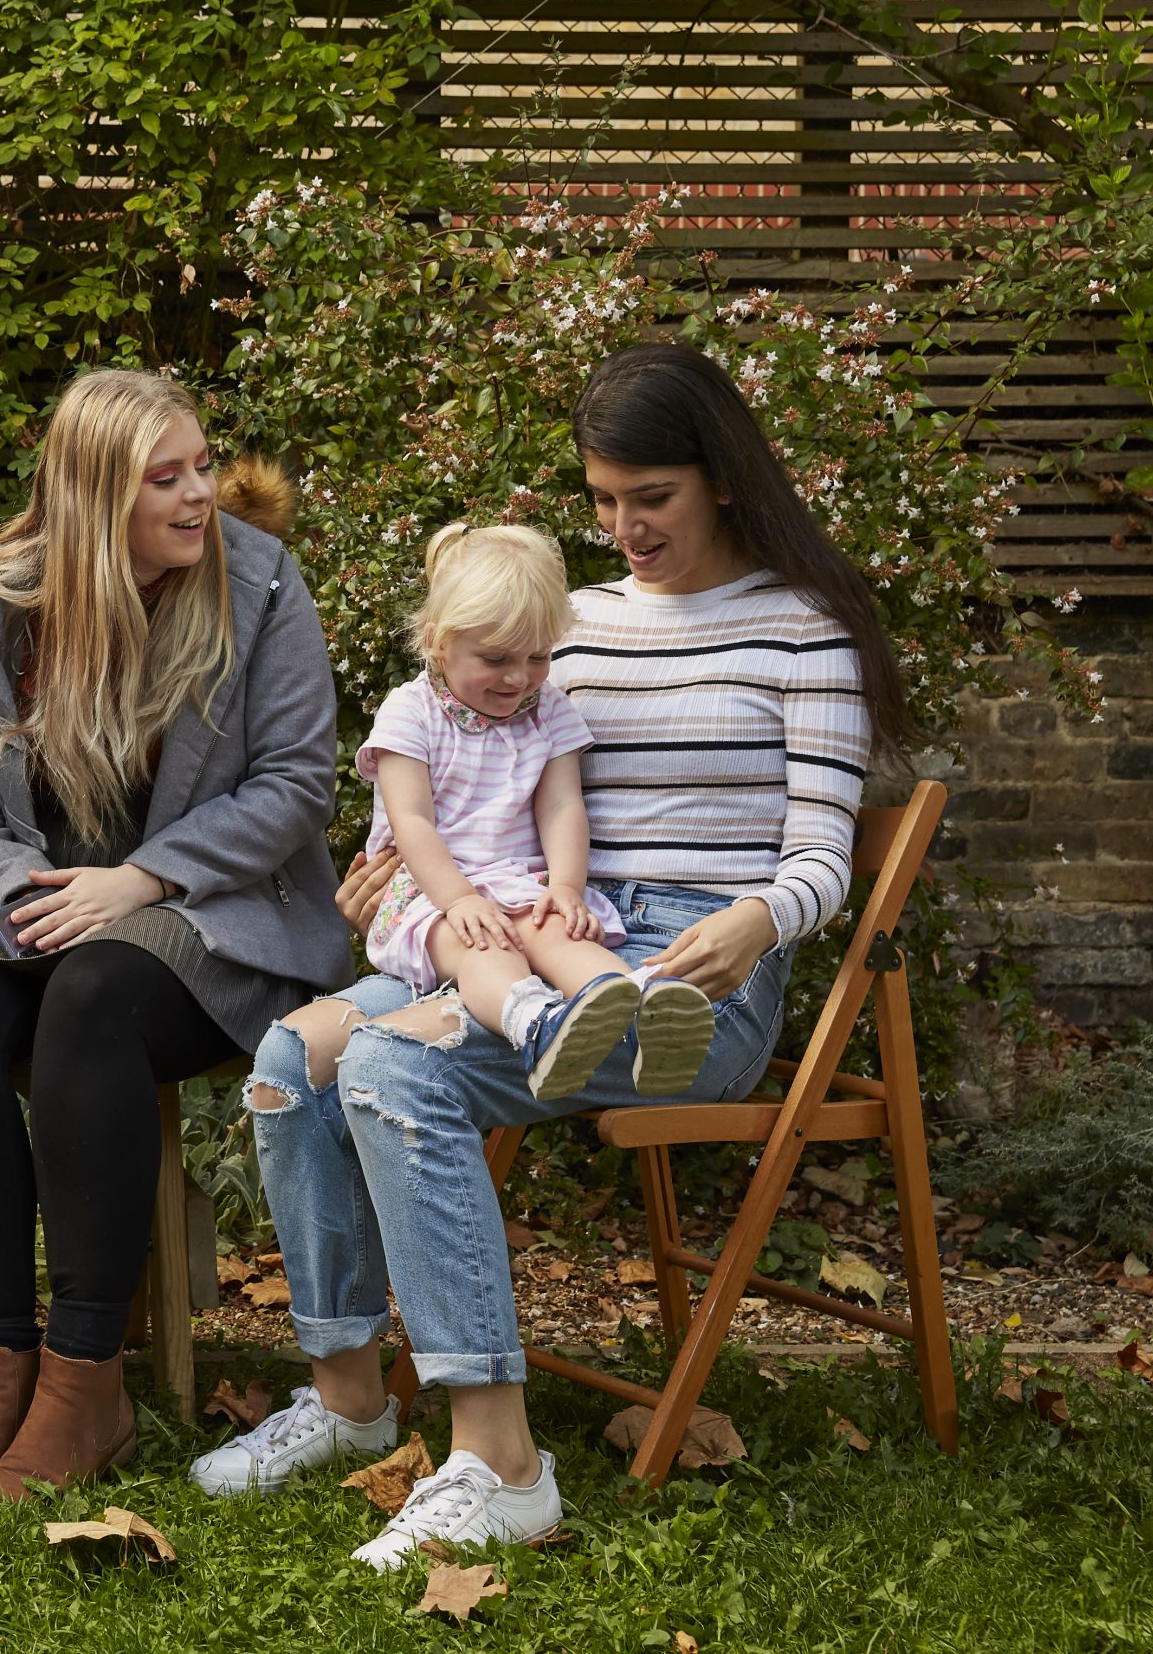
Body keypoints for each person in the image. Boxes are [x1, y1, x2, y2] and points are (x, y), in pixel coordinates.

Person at [193, 342, 905, 1556]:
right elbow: (472, 789)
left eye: (651, 499)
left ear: (721, 478)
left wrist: (759, 920)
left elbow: (822, 861)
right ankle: (354, 1404)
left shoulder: (804, 632)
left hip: (686, 976)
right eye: (602, 501)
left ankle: (501, 1462)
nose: (623, 528)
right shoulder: (566, 628)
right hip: (527, 928)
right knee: (284, 1065)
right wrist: (394, 888)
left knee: (392, 1071)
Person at [0, 368, 352, 1499]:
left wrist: (136, 880)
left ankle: (85, 1385)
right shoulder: (5, 610)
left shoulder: (258, 583)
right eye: (167, 478)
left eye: (200, 465)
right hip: (32, 897)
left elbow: (296, 783)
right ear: (94, 497)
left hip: (205, 908)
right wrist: (22, 882)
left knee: (93, 994)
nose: (200, 495)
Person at [352, 521, 715, 1104]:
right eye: (496, 659)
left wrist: (568, 886)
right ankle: (540, 1027)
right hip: (435, 897)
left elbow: (563, 806)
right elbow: (411, 823)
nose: (519, 678)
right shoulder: (410, 713)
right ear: (437, 641)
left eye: (538, 657)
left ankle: (637, 1004)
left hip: (518, 883)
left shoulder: (545, 711)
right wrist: (461, 899)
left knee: (553, 927)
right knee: (483, 949)